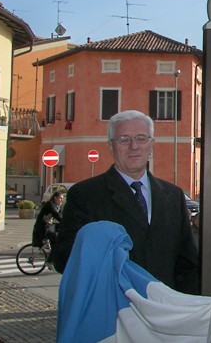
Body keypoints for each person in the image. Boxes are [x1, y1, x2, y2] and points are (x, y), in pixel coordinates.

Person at [53, 110, 199, 294]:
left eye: (141, 138)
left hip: (164, 313)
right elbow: (64, 259)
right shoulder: (85, 195)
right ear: (110, 146)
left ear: (151, 145)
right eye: (124, 139)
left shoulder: (173, 196)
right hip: (112, 312)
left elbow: (188, 261)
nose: (134, 146)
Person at [32, 191, 64, 262]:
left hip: (49, 226)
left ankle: (53, 260)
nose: (62, 200)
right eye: (60, 198)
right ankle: (49, 262)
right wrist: (64, 222)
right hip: (43, 228)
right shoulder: (50, 204)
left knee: (56, 241)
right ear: (55, 197)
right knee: (55, 244)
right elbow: (56, 214)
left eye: (62, 199)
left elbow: (61, 216)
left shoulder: (58, 206)